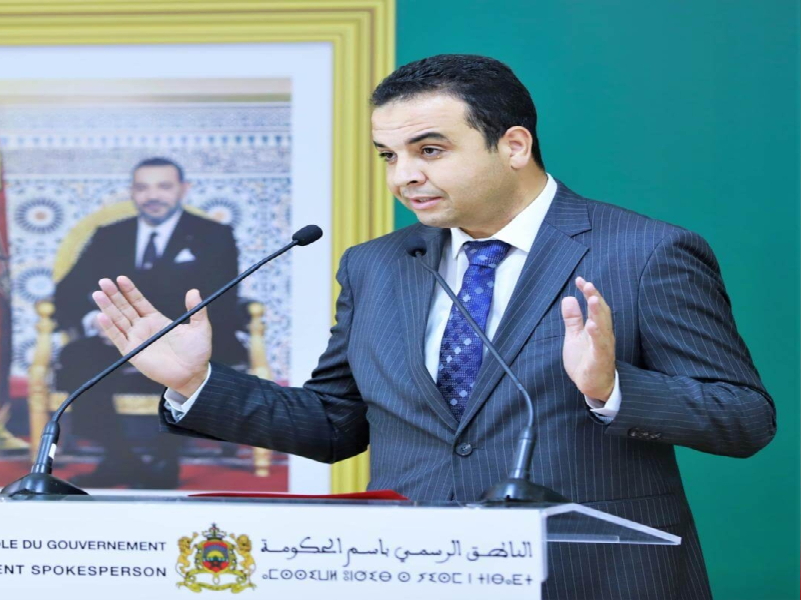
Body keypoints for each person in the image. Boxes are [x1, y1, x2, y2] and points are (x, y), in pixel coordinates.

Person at [86, 55, 775, 599]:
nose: (403, 176)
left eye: (430, 150)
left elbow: (744, 418)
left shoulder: (645, 253)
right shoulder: (376, 266)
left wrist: (611, 389)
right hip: (415, 577)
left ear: (513, 144)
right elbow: (336, 424)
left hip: (592, 579)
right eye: (389, 155)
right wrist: (197, 382)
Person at [54, 157, 243, 489]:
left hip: (185, 337)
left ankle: (164, 461)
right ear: (132, 192)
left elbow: (222, 300)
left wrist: (164, 332)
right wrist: (96, 320)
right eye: (143, 188)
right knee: (76, 358)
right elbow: (67, 292)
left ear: (183, 189)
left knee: (185, 362)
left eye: (164, 186)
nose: (153, 196)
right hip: (119, 339)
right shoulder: (110, 235)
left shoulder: (214, 235)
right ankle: (119, 458)